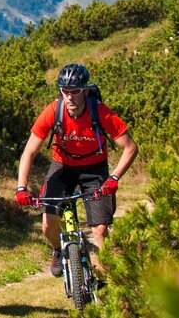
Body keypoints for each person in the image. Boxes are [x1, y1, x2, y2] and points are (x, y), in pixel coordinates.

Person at [12, 63, 137, 278]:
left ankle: (103, 284)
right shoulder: (54, 110)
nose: (69, 97)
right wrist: (21, 187)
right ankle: (58, 250)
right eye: (65, 91)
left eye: (75, 91)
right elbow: (29, 152)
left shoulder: (100, 112)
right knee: (48, 224)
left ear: (85, 90)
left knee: (100, 230)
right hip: (63, 167)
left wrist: (114, 178)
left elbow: (130, 147)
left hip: (95, 169)